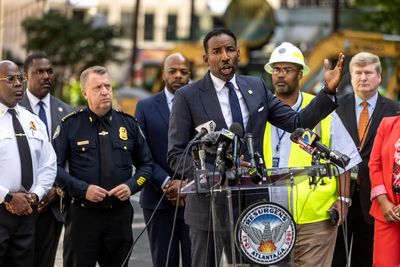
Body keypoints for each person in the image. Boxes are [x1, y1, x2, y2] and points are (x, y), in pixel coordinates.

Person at [167, 28, 345, 267]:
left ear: (239, 54)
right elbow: (177, 154)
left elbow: (296, 122)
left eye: (230, 50)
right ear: (206, 59)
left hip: (253, 205)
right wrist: (211, 175)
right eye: (217, 51)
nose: (225, 56)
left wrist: (328, 91)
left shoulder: (256, 87)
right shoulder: (188, 96)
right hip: (209, 207)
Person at [262, 42, 361, 267]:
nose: (280, 75)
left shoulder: (320, 108)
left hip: (316, 218)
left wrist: (344, 200)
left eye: (287, 70)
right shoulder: (260, 110)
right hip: (268, 217)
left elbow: (344, 158)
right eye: (276, 69)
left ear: (300, 74)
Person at [53, 66, 153, 267]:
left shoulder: (128, 124)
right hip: (83, 216)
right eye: (98, 87)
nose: (105, 91)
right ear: (85, 93)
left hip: (119, 216)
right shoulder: (70, 125)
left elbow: (147, 166)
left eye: (108, 86)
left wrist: (132, 186)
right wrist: (83, 189)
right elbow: (52, 169)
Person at [332, 52, 400, 267]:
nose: (363, 77)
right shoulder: (334, 107)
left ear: (379, 77)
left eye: (369, 72)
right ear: (350, 77)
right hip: (339, 195)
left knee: (368, 259)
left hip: (377, 200)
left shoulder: (394, 110)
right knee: (337, 259)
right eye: (358, 73)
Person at [135, 53, 192, 267]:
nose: (178, 76)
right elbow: (141, 152)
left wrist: (187, 185)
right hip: (156, 199)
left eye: (183, 72)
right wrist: (167, 183)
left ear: (189, 75)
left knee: (195, 260)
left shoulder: (199, 105)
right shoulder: (145, 107)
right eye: (173, 71)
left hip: (192, 199)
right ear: (163, 74)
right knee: (163, 262)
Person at [0, 60, 57, 267]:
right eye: (10, 79)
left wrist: (36, 194)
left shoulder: (32, 120)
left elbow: (48, 163)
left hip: (27, 212)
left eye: (20, 78)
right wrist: (7, 196)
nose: (18, 83)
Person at [20, 52, 74, 267]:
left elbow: (72, 159)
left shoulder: (66, 113)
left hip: (52, 205)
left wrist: (57, 190)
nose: (46, 76)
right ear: (26, 76)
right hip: (18, 203)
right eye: (39, 72)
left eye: (49, 71)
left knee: (45, 262)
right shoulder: (11, 109)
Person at [369, 115, 400, 266]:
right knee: (383, 263)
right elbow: (375, 164)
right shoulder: (388, 124)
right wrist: (382, 200)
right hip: (387, 207)